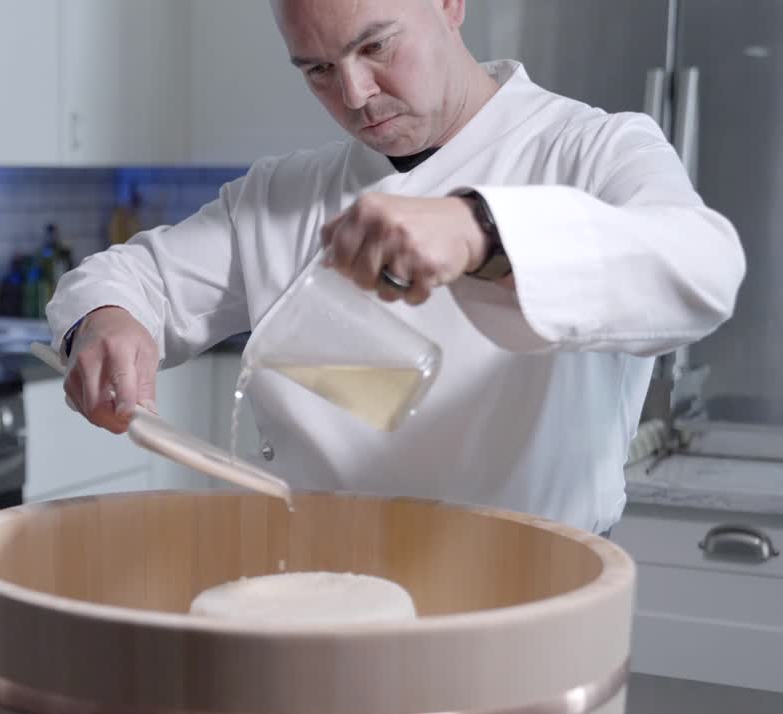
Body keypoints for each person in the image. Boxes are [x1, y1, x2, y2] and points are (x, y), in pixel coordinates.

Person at [45, 0, 745, 533]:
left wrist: (483, 229)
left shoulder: (588, 149)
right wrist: (104, 323)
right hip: (316, 594)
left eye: (375, 46)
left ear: (448, 3)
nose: (353, 94)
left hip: (526, 603)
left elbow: (703, 271)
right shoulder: (281, 195)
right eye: (316, 69)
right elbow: (125, 281)